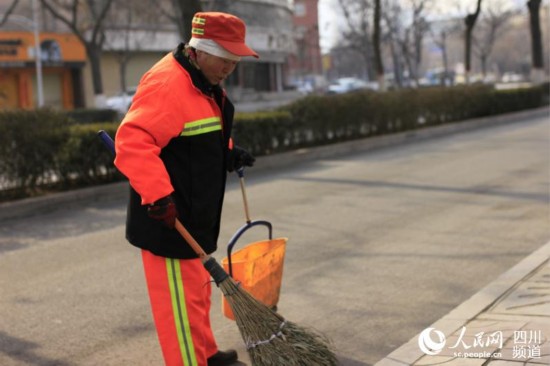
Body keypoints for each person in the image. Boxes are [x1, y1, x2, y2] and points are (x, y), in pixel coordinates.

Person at [114, 11, 257, 366]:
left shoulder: (203, 83)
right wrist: (159, 195)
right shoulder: (168, 84)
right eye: (224, 59)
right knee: (178, 307)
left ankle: (206, 354)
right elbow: (132, 141)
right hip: (168, 219)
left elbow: (196, 136)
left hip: (195, 217)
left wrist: (227, 154)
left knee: (195, 295)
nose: (228, 68)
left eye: (234, 62)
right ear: (200, 50)